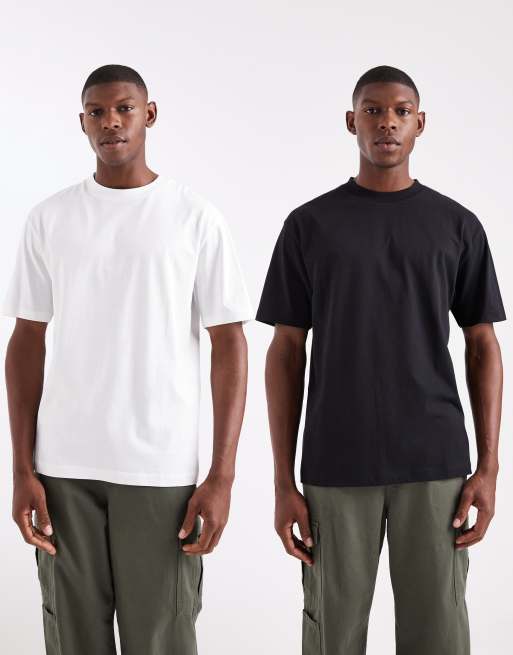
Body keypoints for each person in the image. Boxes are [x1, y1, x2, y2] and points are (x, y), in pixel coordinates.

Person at [3, 64, 253, 654]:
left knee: (162, 638)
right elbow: (27, 339)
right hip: (63, 469)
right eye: (97, 112)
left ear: (150, 114)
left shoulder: (194, 217)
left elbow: (230, 342)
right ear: (82, 122)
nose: (111, 122)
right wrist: (22, 469)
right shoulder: (50, 218)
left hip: (159, 469)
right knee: (73, 639)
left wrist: (221, 475)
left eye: (124, 109)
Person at [256, 65, 506, 655]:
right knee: (332, 635)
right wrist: (282, 480)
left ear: (420, 123)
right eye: (373, 110)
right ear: (352, 122)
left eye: (400, 111)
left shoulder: (456, 225)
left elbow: (484, 345)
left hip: (435, 462)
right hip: (335, 463)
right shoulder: (310, 225)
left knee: (439, 633)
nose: (387, 122)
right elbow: (286, 350)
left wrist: (489, 468)